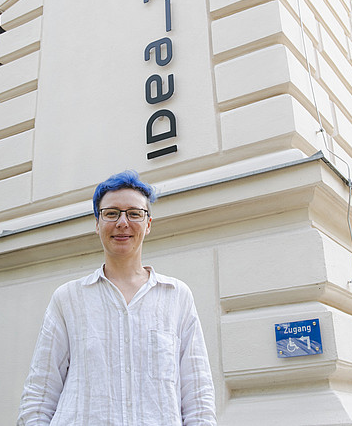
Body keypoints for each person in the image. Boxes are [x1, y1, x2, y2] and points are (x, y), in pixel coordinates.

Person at [17, 170, 216, 425]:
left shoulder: (177, 297)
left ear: (148, 224)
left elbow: (198, 398)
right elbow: (39, 396)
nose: (123, 223)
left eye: (134, 213)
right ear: (97, 224)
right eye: (111, 213)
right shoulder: (68, 299)